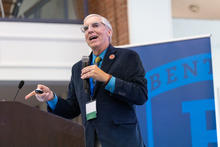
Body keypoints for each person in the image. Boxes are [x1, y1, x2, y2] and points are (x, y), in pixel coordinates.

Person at [25, 14, 148, 147]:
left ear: (109, 31)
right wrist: (51, 98)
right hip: (91, 140)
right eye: (86, 28)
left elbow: (140, 94)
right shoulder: (78, 68)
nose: (90, 30)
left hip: (122, 140)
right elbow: (72, 109)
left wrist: (107, 79)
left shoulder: (127, 57)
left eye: (95, 25)